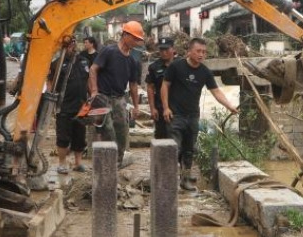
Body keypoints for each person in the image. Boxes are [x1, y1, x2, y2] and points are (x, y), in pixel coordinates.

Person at [161, 37, 238, 191]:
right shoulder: (176, 67)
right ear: (189, 51)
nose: (201, 54)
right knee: (174, 148)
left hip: (193, 116)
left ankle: (185, 180)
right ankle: (168, 180)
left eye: (204, 52)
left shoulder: (205, 72)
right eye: (198, 51)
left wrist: (230, 106)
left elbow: (216, 92)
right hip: (176, 116)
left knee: (189, 150)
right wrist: (166, 108)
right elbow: (165, 86)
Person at [88, 21, 143, 166]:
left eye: (138, 39)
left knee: (122, 131)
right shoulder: (109, 51)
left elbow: (133, 85)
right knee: (107, 130)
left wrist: (136, 106)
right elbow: (93, 69)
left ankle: (117, 162)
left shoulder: (132, 60)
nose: (137, 42)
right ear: (125, 35)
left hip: (119, 98)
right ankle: (107, 162)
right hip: (104, 96)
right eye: (135, 38)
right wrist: (94, 91)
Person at [49, 39, 91, 175]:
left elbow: (89, 80)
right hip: (64, 105)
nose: (71, 47)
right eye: (68, 45)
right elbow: (50, 81)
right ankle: (62, 163)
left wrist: (93, 95)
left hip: (82, 105)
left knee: (80, 135)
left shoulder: (83, 61)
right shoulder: (57, 63)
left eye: (73, 44)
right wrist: (50, 99)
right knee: (63, 136)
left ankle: (78, 163)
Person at [145, 36, 176, 139]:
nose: (163, 52)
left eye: (166, 49)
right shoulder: (154, 67)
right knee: (161, 137)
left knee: (177, 136)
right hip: (160, 108)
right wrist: (152, 108)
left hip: (178, 108)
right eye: (161, 49)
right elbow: (150, 88)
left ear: (173, 49)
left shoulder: (180, 64)